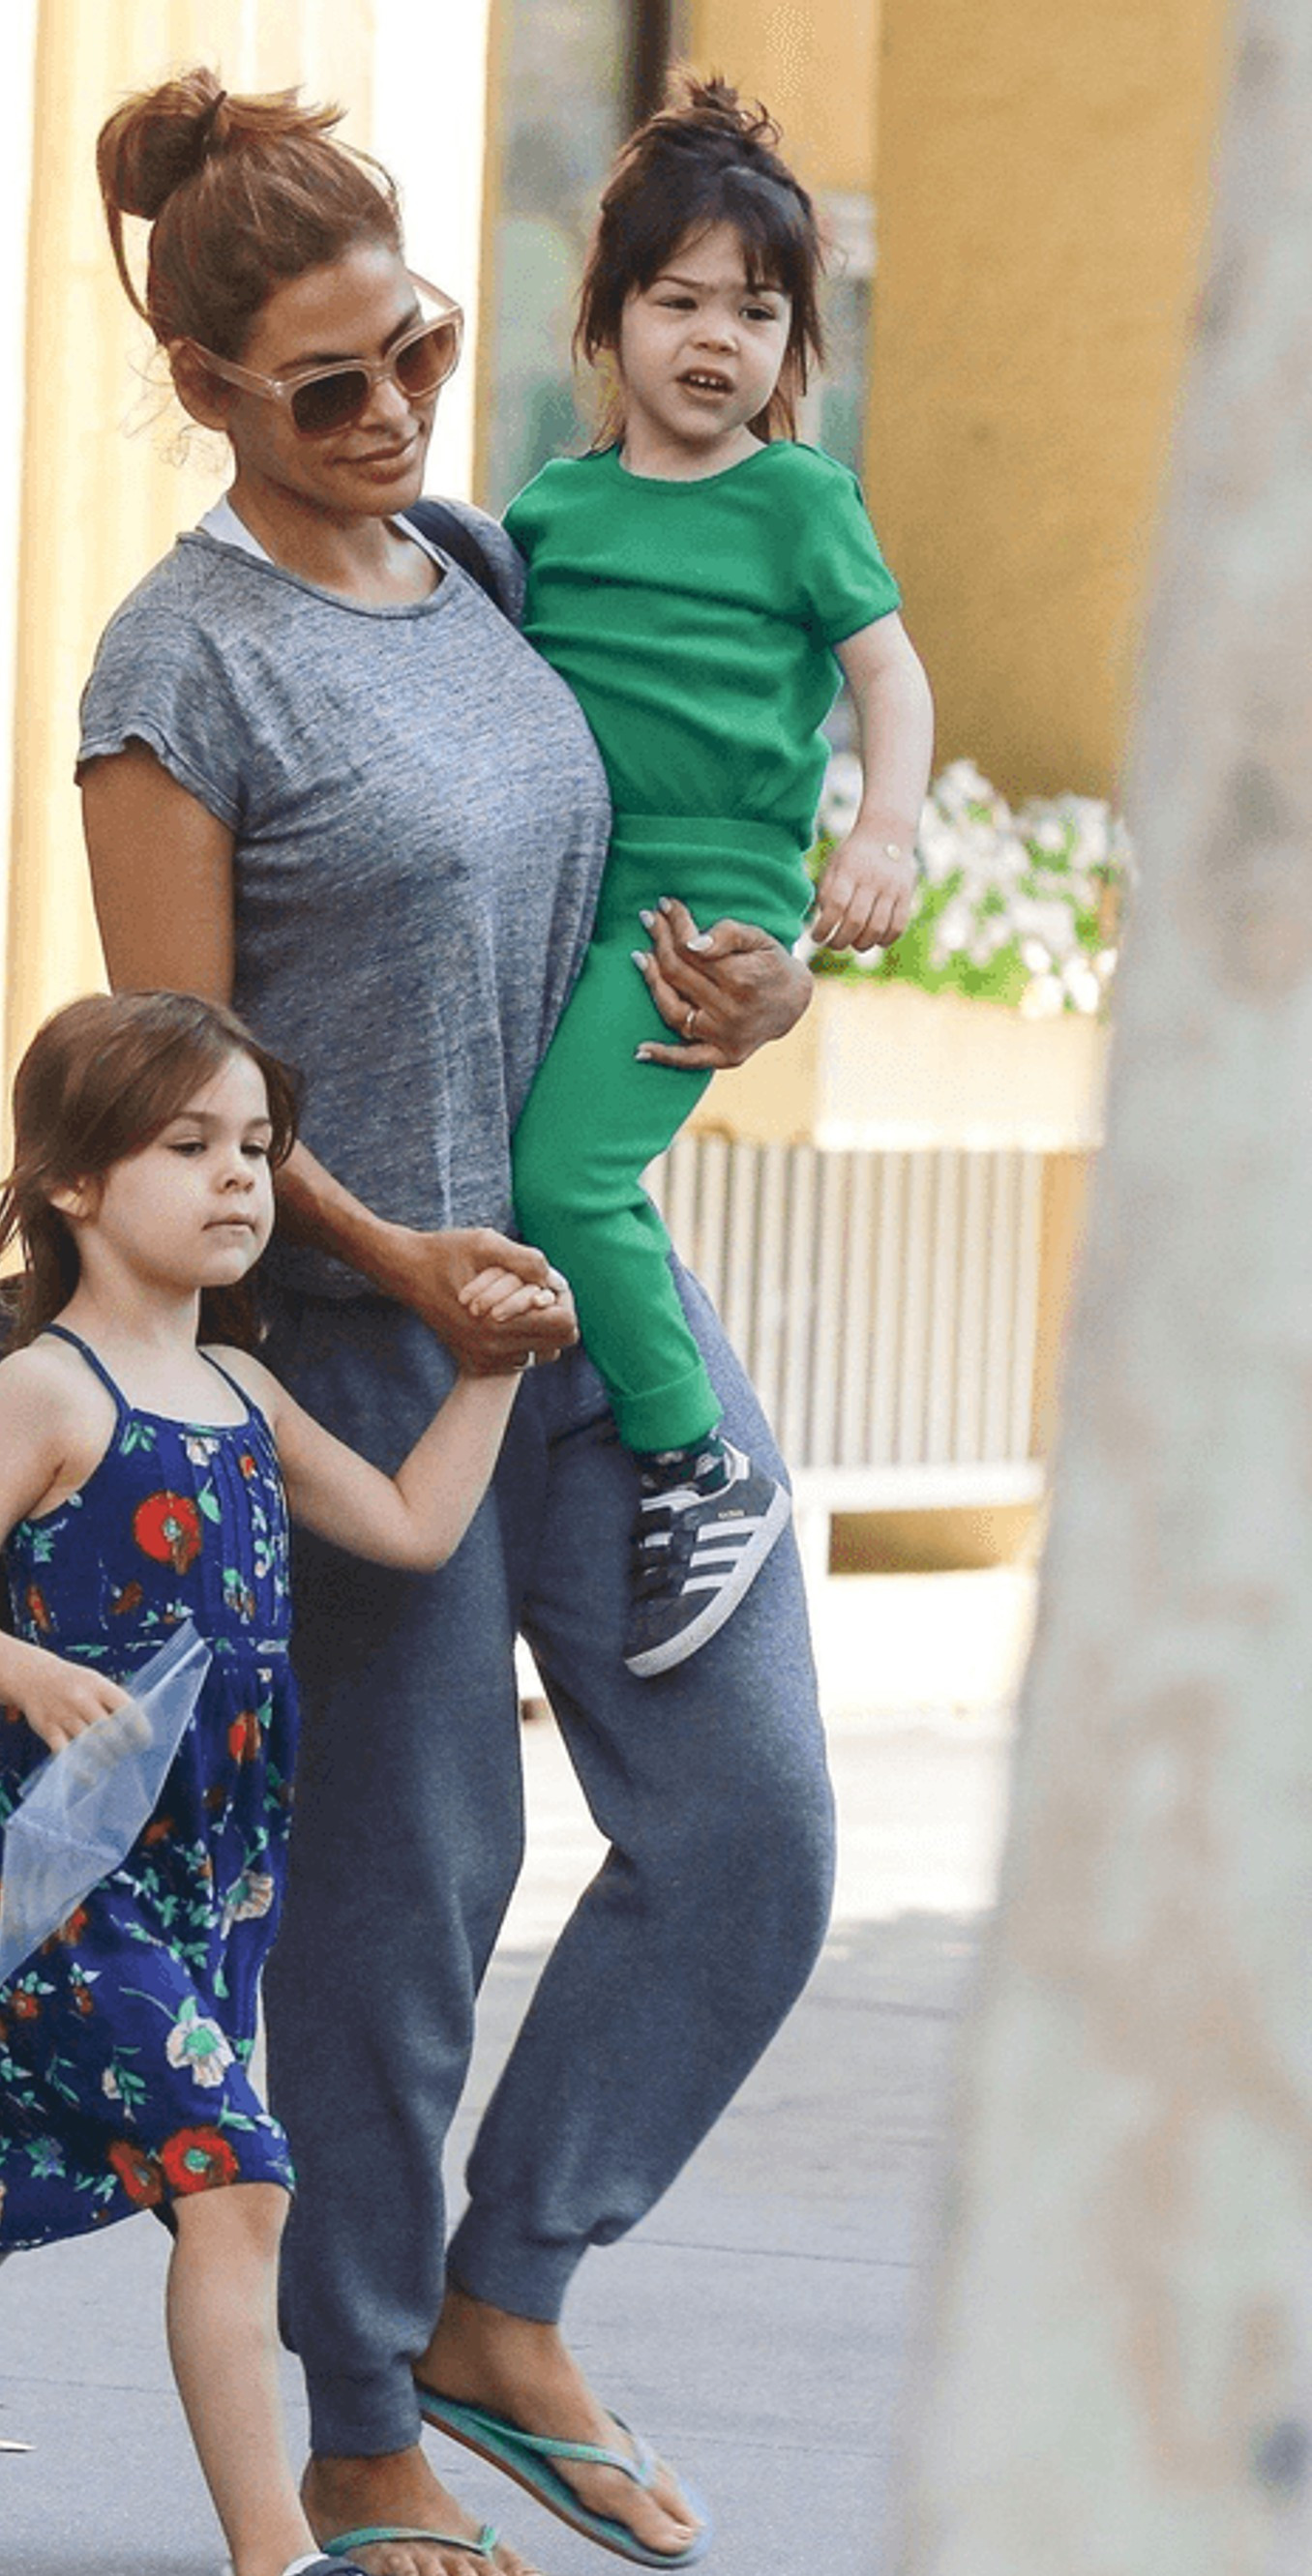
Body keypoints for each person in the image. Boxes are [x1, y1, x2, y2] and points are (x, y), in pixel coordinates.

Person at [76, 70, 835, 2576]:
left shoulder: (492, 566)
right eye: (330, 385)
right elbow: (170, 1085)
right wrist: (397, 1258)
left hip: (587, 1302)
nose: (396, 407)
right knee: (407, 1897)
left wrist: (765, 979)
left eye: (414, 345)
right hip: (359, 1345)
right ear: (205, 386)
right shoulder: (177, 665)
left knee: (750, 1829)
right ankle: (365, 2415)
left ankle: (511, 2298)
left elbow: (681, 838)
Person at [0, 989, 548, 2576]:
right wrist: (26, 1672)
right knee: (235, 2174)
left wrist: (489, 1373)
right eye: (190, 1145)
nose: (239, 1177)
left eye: (255, 1147)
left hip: (201, 1877)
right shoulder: (46, 1389)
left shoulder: (241, 1386)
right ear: (75, 1181)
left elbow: (408, 1523)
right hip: (57, 1875)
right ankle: (272, 2574)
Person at [508, 75, 935, 1679]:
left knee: (568, 1182)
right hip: (571, 900)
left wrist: (879, 837)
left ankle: (698, 1458)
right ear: (607, 316)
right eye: (678, 299)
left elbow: (892, 678)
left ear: (794, 346)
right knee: (533, 1175)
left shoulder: (797, 501)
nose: (716, 338)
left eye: (756, 312)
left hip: (702, 916)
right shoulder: (551, 511)